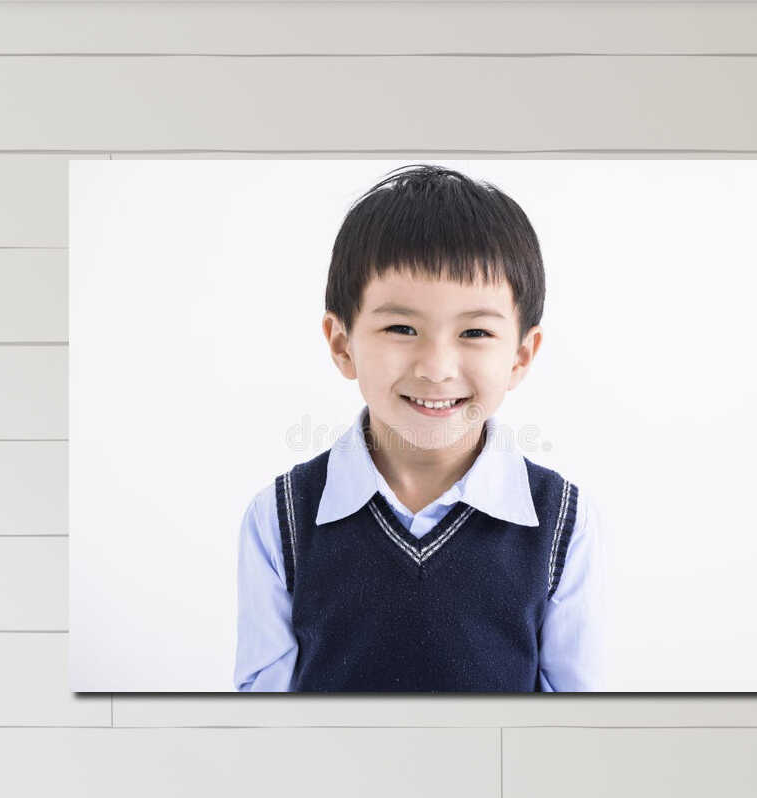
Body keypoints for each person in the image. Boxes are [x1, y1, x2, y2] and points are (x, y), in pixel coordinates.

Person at [234, 164, 602, 692]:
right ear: (342, 344)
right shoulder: (280, 519)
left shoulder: (563, 521)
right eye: (401, 328)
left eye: (475, 331)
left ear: (521, 355)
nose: (436, 367)